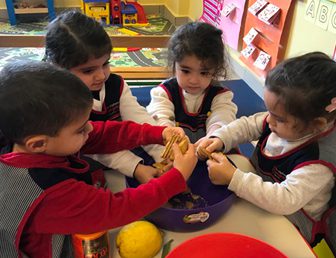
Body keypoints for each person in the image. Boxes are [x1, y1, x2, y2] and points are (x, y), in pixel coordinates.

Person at [0, 61, 197, 257]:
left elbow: (103, 134)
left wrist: (159, 134)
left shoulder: (36, 141)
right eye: (80, 129)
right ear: (38, 144)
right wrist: (177, 177)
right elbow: (117, 209)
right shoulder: (48, 192)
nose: (90, 129)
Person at [197, 52, 336, 250]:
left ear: (316, 124)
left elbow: (284, 201)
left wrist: (233, 178)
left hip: (290, 224)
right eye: (268, 111)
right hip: (255, 196)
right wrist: (219, 138)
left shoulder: (318, 162)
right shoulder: (288, 118)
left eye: (278, 118)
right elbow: (247, 125)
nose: (268, 120)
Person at [44, 10, 165, 184]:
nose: (101, 76)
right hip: (82, 158)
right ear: (59, 68)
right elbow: (91, 146)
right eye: (88, 70)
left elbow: (139, 119)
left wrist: (164, 152)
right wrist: (135, 167)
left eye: (106, 64)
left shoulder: (115, 85)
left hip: (120, 152)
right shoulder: (58, 102)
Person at [146, 21, 237, 144]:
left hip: (209, 150)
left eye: (204, 73)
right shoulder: (164, 93)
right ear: (174, 65)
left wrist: (213, 136)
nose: (194, 80)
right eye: (186, 71)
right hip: (174, 148)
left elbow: (223, 116)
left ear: (216, 69)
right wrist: (168, 130)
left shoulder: (220, 95)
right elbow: (159, 113)